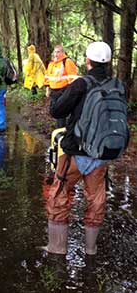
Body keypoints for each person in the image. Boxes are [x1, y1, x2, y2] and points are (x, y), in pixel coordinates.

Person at [43, 42, 113, 256]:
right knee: (96, 200)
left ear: (87, 61)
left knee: (59, 196)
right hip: (101, 153)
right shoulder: (117, 86)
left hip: (75, 152)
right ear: (108, 62)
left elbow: (56, 111)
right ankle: (91, 249)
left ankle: (57, 248)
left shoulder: (81, 84)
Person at [45, 44, 78, 128]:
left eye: (58, 52)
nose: (56, 54)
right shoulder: (51, 64)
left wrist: (70, 91)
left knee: (61, 112)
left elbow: (73, 77)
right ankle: (61, 128)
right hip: (53, 91)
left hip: (63, 90)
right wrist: (47, 89)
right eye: (55, 52)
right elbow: (48, 77)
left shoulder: (67, 62)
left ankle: (61, 130)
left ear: (63, 52)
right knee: (54, 111)